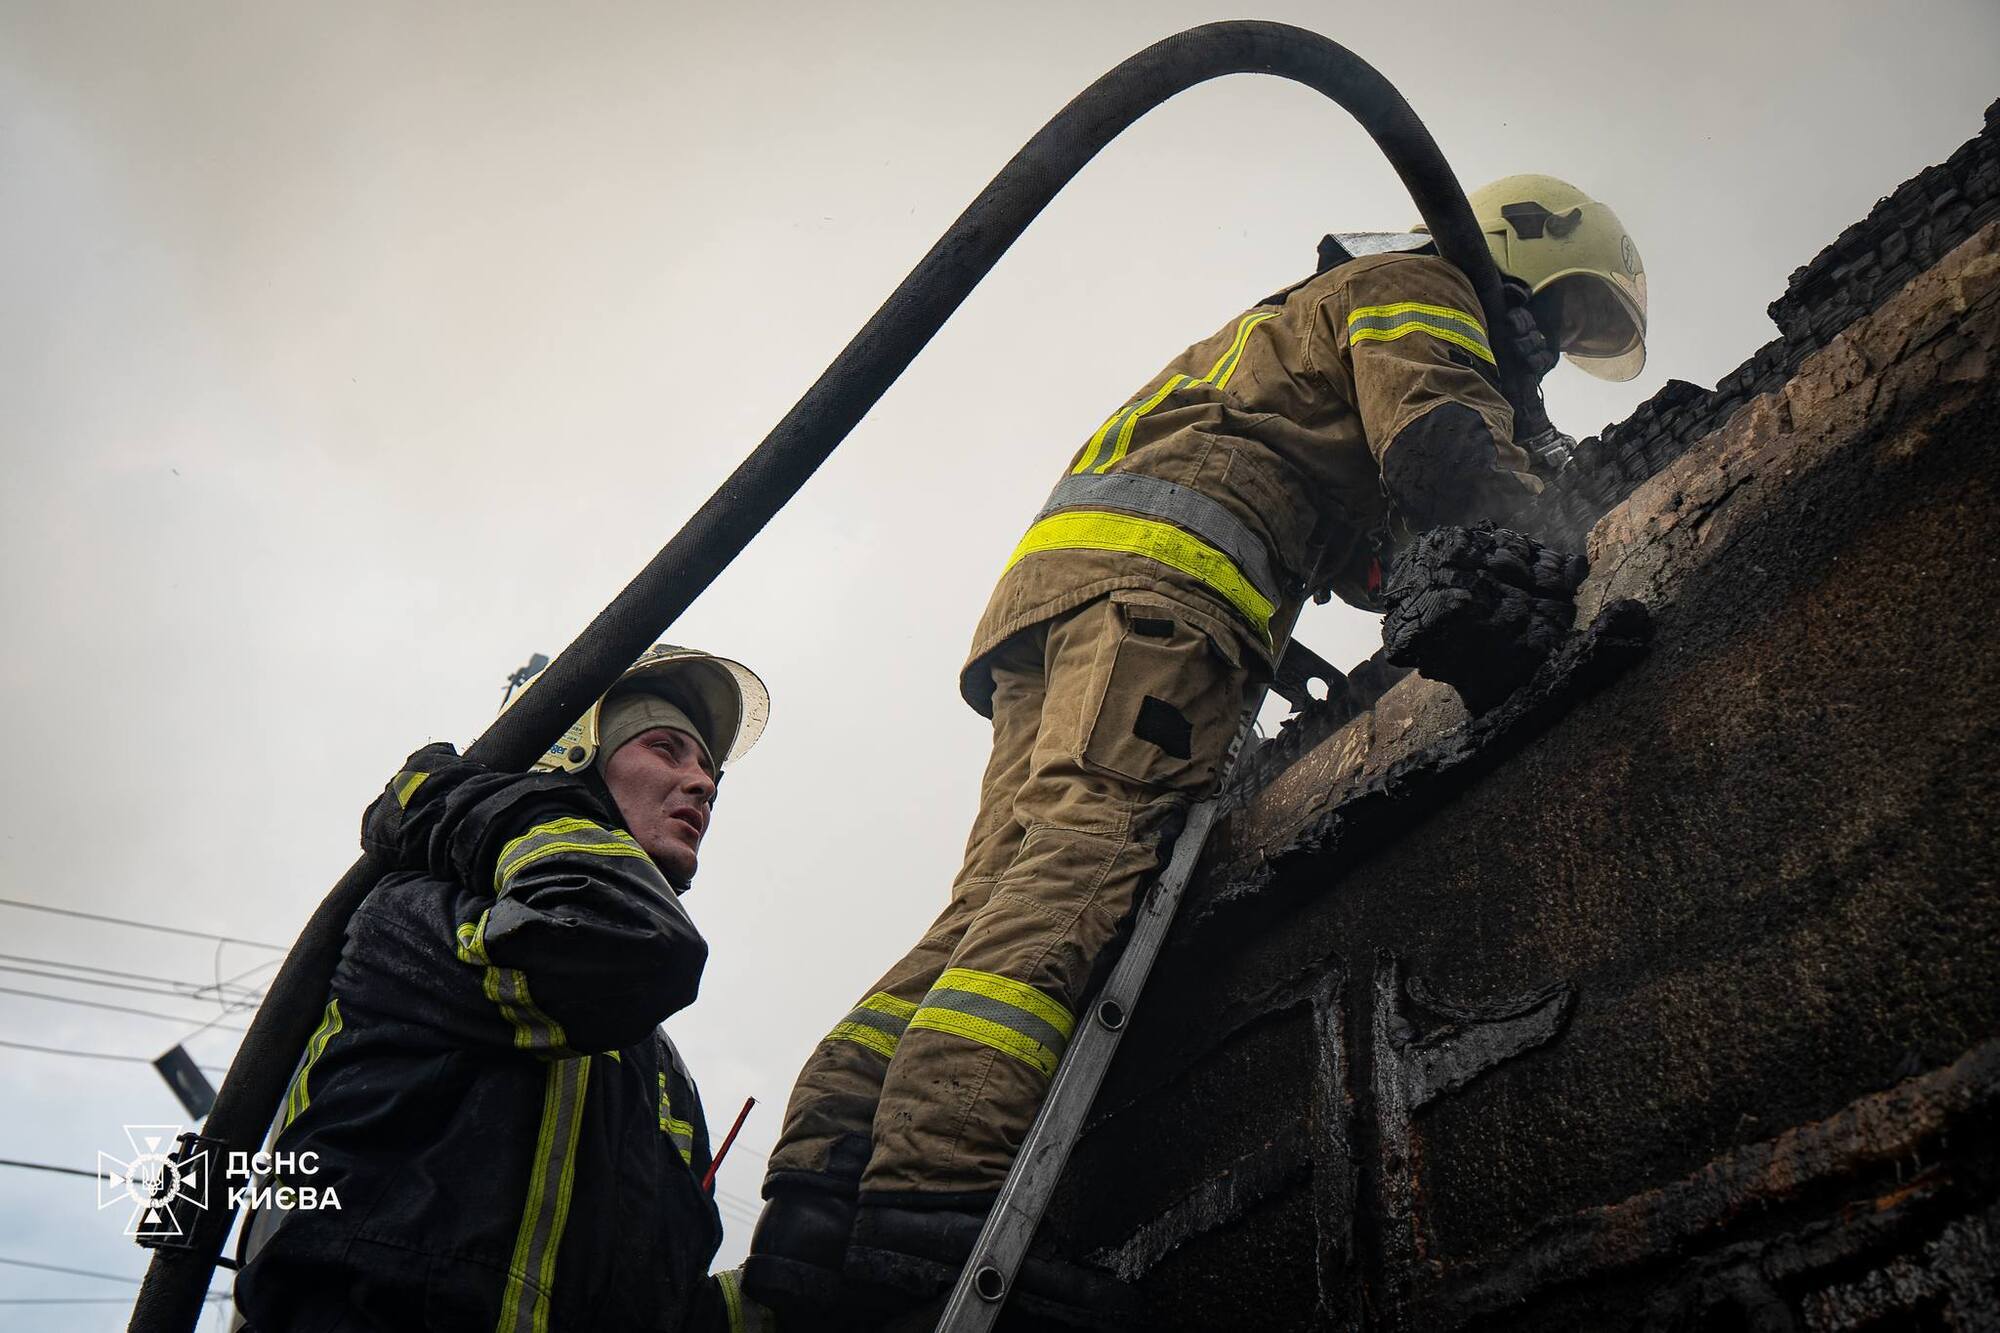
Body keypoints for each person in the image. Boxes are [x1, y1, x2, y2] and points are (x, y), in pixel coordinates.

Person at [743, 174, 1648, 1317]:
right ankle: (939, 1193)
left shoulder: (1296, 317)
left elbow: (1369, 548)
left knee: (991, 901)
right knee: (1090, 858)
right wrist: (1541, 498)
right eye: (1554, 325)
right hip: (1164, 604)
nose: (1551, 356)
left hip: (1063, 606)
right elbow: (1438, 453)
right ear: (1516, 266)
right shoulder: (1418, 285)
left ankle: (823, 1194)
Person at [236, 644, 776, 1333]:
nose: (700, 784)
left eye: (708, 772)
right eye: (666, 749)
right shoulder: (415, 917)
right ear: (570, 756)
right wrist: (490, 802)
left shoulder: (661, 1070)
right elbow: (616, 936)